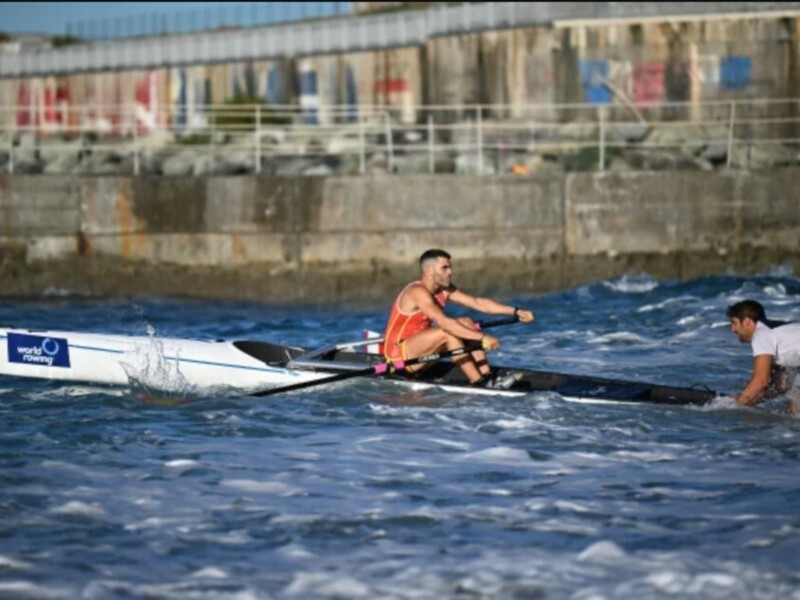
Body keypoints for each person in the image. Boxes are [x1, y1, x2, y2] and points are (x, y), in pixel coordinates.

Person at [383, 248, 535, 389]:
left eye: (450, 267)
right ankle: (479, 382)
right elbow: (443, 322)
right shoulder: (417, 291)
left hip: (421, 351)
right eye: (445, 268)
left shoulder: (444, 289)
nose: (450, 272)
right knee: (448, 331)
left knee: (467, 323)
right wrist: (482, 337)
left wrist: (515, 311)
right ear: (429, 271)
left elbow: (478, 303)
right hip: (399, 357)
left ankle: (487, 375)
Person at [726, 299, 800, 411]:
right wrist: (743, 399)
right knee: (794, 409)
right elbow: (780, 385)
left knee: (794, 409)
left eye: (734, 323)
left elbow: (760, 383)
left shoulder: (761, 334)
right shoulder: (775, 334)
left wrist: (732, 407)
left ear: (747, 321)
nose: (732, 329)